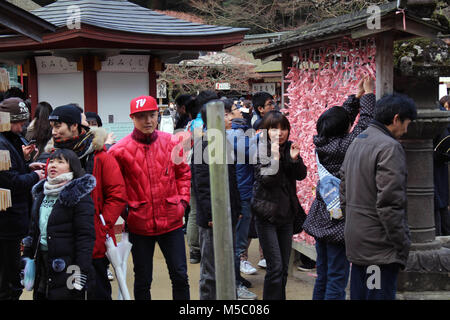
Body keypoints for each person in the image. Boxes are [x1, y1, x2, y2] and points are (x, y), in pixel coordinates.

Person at [109, 95, 191, 300]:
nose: (147, 121)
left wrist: (182, 203)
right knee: (143, 279)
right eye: (141, 116)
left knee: (180, 275)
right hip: (139, 224)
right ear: (132, 118)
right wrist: (127, 212)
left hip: (171, 220)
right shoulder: (118, 151)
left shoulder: (172, 142)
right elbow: (113, 188)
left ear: (157, 115)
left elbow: (183, 174)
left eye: (151, 115)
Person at [302, 76, 376, 300]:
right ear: (344, 128)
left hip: (320, 217)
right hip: (337, 222)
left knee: (323, 275)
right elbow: (365, 123)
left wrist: (355, 98)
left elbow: (344, 119)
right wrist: (370, 95)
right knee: (337, 277)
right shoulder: (345, 146)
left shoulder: (322, 141)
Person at [340, 93, 417, 300]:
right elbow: (390, 203)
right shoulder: (389, 147)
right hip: (378, 245)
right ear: (396, 119)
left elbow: (344, 191)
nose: (406, 130)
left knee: (360, 293)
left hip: (358, 237)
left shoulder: (358, 140)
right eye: (407, 123)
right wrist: (402, 243)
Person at [47, 104, 126, 300]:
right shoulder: (54, 157)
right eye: (52, 127)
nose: (54, 132)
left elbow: (117, 195)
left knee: (95, 290)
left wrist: (100, 225)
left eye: (58, 126)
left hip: (93, 241)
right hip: (60, 244)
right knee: (67, 291)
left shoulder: (99, 156)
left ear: (74, 126)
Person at [191, 99, 256, 300]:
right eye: (228, 113)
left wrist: (236, 208)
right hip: (212, 218)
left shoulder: (224, 141)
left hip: (228, 213)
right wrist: (211, 215)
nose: (232, 116)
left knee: (227, 262)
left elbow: (231, 180)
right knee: (211, 270)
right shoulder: (204, 144)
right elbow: (202, 185)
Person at [22, 149, 96, 300]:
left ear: (72, 168)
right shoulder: (42, 193)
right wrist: (26, 259)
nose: (53, 165)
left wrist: (80, 271)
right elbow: (33, 230)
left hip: (68, 266)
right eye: (52, 161)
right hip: (42, 261)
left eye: (60, 162)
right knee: (42, 294)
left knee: (68, 296)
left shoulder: (78, 197)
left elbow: (85, 237)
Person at [251, 111, 307, 300]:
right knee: (275, 268)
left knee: (282, 268)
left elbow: (300, 175)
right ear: (266, 131)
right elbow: (267, 181)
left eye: (283, 128)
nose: (280, 132)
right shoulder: (260, 149)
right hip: (266, 215)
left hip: (286, 215)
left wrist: (294, 159)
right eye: (274, 128)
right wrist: (275, 158)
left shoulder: (289, 147)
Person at [0, 97, 45, 300]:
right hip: (6, 221)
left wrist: (28, 166)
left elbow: (12, 172)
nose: (22, 126)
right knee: (7, 279)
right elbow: (10, 182)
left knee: (10, 273)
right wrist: (34, 176)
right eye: (18, 122)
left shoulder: (10, 139)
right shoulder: (2, 144)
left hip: (13, 219)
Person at [185, 91, 218, 265]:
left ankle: (194, 249)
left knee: (194, 209)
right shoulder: (200, 123)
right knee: (197, 209)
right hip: (200, 168)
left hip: (192, 165)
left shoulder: (193, 121)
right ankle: (195, 249)